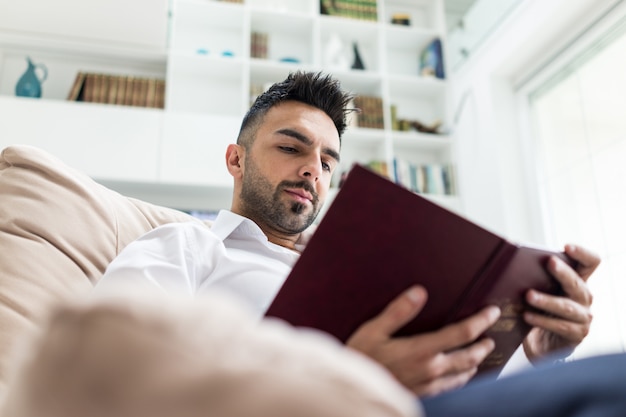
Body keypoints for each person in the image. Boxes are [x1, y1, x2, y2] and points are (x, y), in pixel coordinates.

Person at [95, 71, 604, 406]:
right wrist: (344, 383)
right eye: (292, 146)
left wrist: (538, 351)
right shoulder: (187, 247)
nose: (312, 170)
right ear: (236, 159)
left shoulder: (365, 272)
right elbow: (107, 377)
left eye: (327, 161)